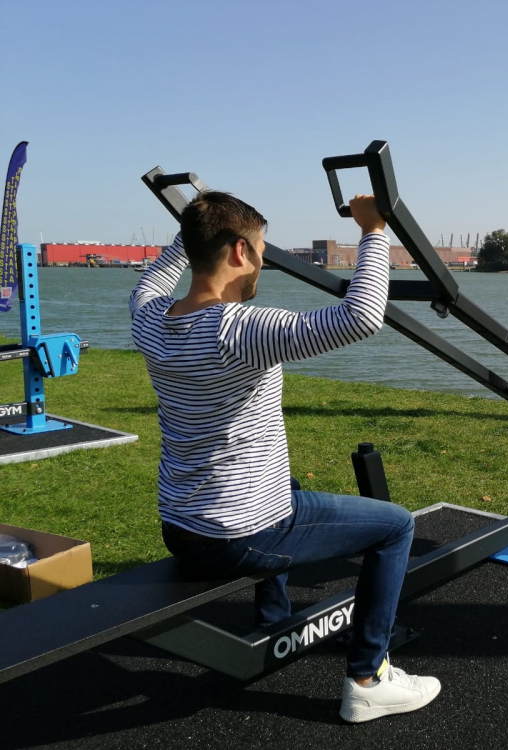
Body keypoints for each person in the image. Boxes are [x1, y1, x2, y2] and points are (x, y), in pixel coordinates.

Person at [129, 190, 440, 723]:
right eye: (261, 251)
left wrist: (196, 221)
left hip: (180, 526)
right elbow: (361, 317)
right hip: (238, 536)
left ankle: (274, 622)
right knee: (394, 527)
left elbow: (155, 279)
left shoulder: (150, 318)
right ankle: (369, 679)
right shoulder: (239, 329)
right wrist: (372, 230)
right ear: (237, 253)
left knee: (284, 483)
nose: (263, 264)